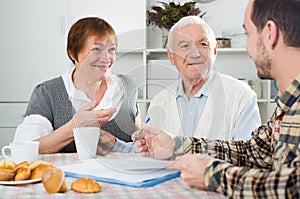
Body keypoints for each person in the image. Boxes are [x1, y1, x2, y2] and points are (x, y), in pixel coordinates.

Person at [134, 0, 300, 198]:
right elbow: (255, 152)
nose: (247, 49)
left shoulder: (246, 95)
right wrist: (177, 144)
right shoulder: (287, 104)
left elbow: (294, 187)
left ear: (269, 34)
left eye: (248, 34)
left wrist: (212, 176)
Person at [13, 17, 140, 154]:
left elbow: (140, 145)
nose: (106, 58)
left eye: (111, 50)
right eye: (96, 49)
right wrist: (74, 127)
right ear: (73, 54)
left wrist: (117, 144)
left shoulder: (127, 86)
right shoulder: (48, 92)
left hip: (118, 175)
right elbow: (22, 149)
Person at [147, 16, 261, 140]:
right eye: (184, 46)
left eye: (203, 44)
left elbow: (247, 156)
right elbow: (147, 153)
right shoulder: (159, 102)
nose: (195, 54)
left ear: (215, 51)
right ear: (171, 57)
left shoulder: (242, 96)